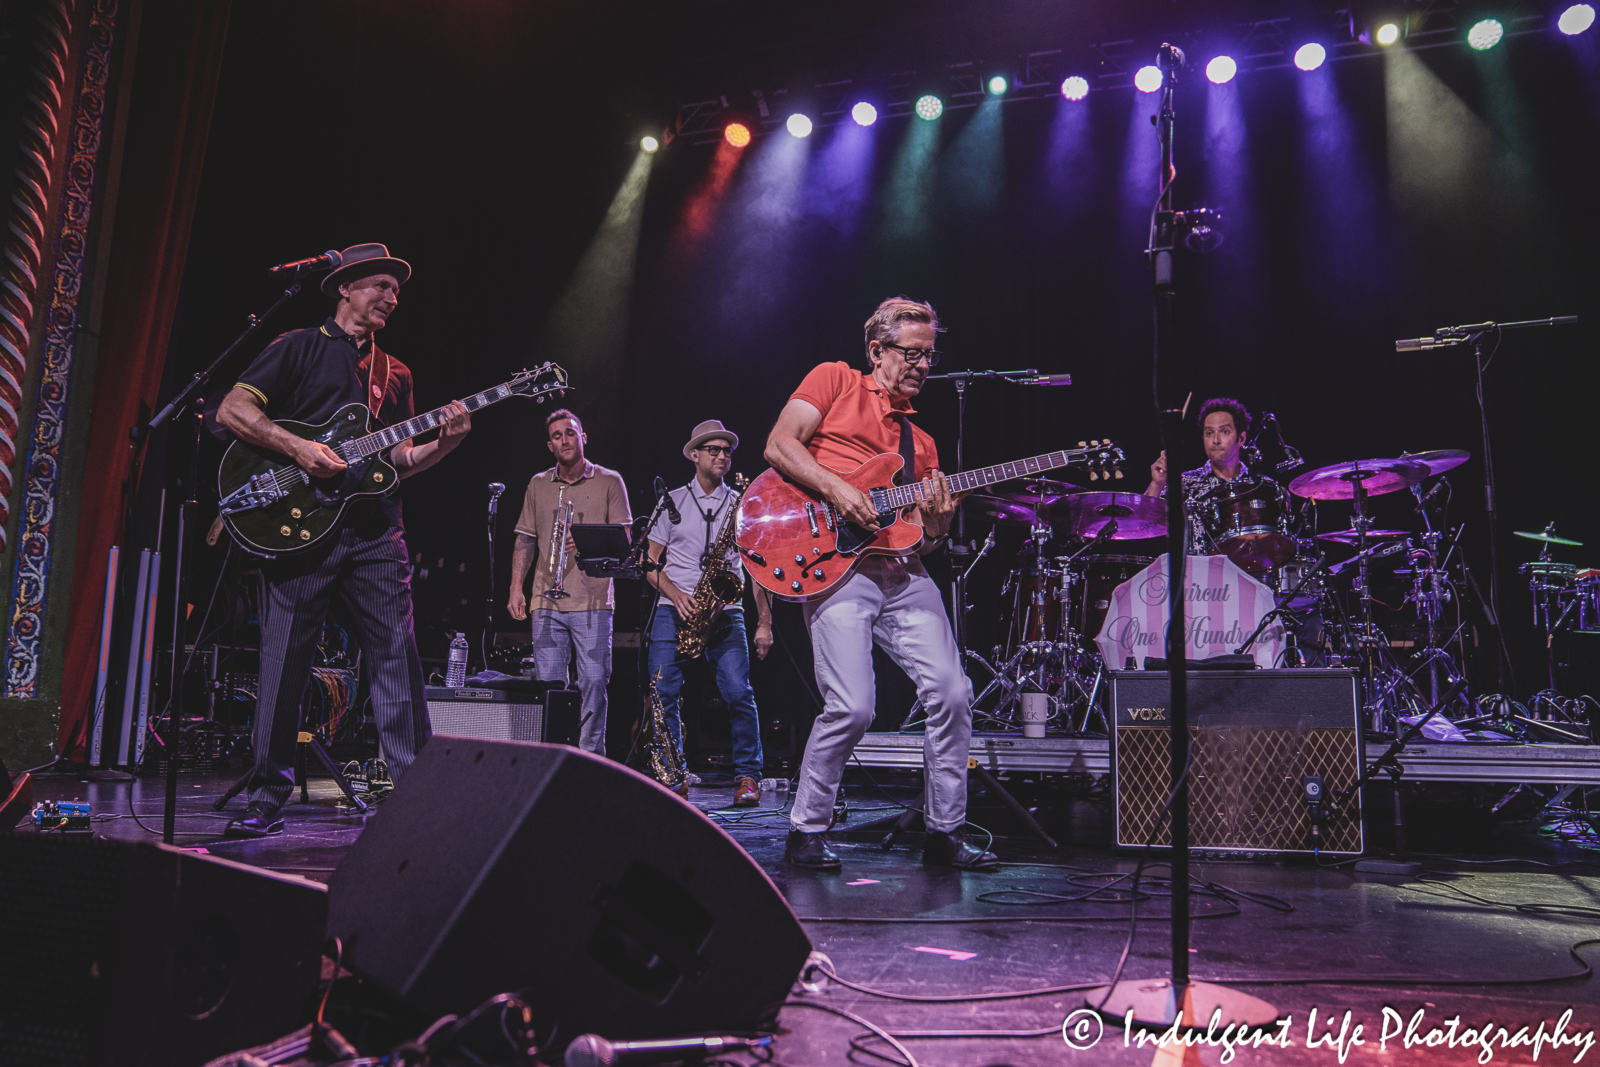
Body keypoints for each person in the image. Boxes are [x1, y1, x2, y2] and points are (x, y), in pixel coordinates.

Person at [217, 243, 471, 837]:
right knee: (284, 664)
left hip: (375, 532)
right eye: (380, 285)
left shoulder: (395, 374)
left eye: (395, 291)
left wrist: (447, 443)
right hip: (300, 531)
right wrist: (298, 448)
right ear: (345, 288)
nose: (391, 297)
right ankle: (267, 792)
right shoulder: (296, 347)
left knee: (396, 662)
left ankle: (416, 794)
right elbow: (233, 410)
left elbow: (397, 458)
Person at [764, 297, 997, 871]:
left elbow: (926, 538)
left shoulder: (923, 445)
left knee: (952, 691)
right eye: (911, 352)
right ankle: (806, 829)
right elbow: (779, 445)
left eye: (929, 355)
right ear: (876, 350)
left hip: (899, 568)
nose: (921, 364)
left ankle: (944, 833)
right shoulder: (834, 380)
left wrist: (939, 523)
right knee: (854, 707)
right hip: (831, 565)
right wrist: (838, 490)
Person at [645, 420, 773, 804]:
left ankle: (749, 776)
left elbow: (758, 569)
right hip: (674, 608)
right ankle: (673, 775)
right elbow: (648, 561)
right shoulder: (671, 500)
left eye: (726, 450)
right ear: (695, 455)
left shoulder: (742, 502)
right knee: (662, 691)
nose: (721, 456)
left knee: (738, 692)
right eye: (713, 450)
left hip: (726, 611)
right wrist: (675, 592)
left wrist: (764, 622)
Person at [508, 409, 630, 754]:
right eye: (558, 435)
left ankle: (589, 757)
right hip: (546, 599)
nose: (565, 439)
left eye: (571, 433)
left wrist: (591, 540)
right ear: (550, 445)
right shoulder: (537, 483)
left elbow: (623, 539)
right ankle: (552, 755)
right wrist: (516, 588)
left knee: (593, 682)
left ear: (583, 438)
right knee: (549, 685)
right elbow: (524, 539)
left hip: (592, 601)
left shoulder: (609, 481)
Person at [1145, 396, 1257, 556]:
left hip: (1247, 573)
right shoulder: (1185, 482)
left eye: (1224, 432)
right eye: (1209, 433)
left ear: (1241, 438)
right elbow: (1145, 526)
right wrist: (1157, 484)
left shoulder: (1258, 486)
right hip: (1197, 576)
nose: (1216, 440)